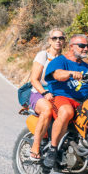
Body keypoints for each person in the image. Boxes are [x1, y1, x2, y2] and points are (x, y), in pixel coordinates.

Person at [42, 34, 88, 168]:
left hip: (81, 102)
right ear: (72, 47)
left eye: (87, 46)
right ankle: (52, 150)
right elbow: (57, 74)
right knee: (66, 112)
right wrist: (71, 74)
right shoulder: (60, 61)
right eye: (82, 46)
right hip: (61, 98)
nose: (85, 49)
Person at [27, 29, 65, 160]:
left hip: (56, 94)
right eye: (55, 38)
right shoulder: (43, 55)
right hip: (39, 92)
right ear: (49, 40)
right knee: (47, 110)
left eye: (61, 38)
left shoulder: (63, 59)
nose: (58, 41)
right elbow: (34, 79)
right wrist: (45, 92)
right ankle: (36, 146)